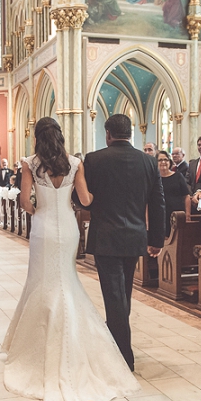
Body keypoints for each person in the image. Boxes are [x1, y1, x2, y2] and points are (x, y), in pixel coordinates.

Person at [2, 118, 140, 401]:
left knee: (42, 281)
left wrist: (38, 206)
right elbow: (86, 199)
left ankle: (40, 340)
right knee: (67, 281)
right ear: (60, 137)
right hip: (68, 226)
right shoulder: (75, 163)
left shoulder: (29, 163)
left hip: (43, 228)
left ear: (38, 138)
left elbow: (26, 203)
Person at [82, 114, 165, 371]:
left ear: (108, 134)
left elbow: (83, 198)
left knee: (115, 295)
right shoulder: (149, 162)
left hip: (106, 236)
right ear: (131, 134)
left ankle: (123, 356)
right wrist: (157, 239)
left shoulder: (94, 160)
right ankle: (117, 343)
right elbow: (158, 203)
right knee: (123, 293)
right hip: (135, 236)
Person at [157, 151, 191, 237]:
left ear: (170, 162)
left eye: (166, 159)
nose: (163, 162)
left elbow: (186, 196)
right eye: (160, 160)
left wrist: (187, 214)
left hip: (177, 215)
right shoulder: (154, 178)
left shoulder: (178, 176)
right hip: (159, 215)